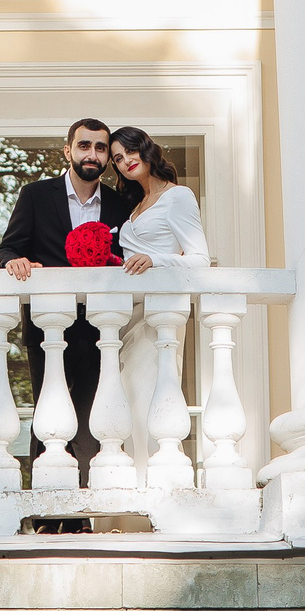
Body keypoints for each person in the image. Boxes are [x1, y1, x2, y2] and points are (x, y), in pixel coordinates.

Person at [0, 117, 141, 484]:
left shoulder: (120, 204)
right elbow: (6, 248)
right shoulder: (36, 195)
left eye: (101, 148)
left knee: (93, 417)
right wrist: (13, 260)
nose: (92, 154)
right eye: (84, 145)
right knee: (49, 415)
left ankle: (89, 501)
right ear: (68, 150)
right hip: (47, 326)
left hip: (101, 328)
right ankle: (44, 501)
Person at [110, 124, 208, 487]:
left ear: (146, 149)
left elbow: (200, 260)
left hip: (158, 314)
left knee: (151, 398)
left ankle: (160, 487)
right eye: (117, 158)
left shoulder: (178, 196)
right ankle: (130, 493)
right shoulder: (134, 205)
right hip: (125, 317)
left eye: (130, 151)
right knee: (127, 403)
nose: (125, 161)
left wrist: (157, 260)